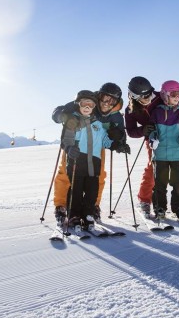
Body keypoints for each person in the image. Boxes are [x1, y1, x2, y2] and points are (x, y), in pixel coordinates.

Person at [124, 76, 179, 217]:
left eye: (149, 94)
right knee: (154, 171)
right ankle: (144, 201)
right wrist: (143, 130)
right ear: (134, 97)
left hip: (174, 138)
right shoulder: (130, 110)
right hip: (155, 141)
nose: (148, 98)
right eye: (144, 97)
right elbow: (131, 131)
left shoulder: (161, 95)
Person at [52, 85, 130, 225]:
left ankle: (92, 206)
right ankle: (62, 205)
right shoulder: (86, 100)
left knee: (97, 177)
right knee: (66, 173)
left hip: (96, 147)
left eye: (112, 101)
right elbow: (57, 113)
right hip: (75, 144)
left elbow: (120, 137)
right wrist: (66, 117)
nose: (107, 103)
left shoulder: (116, 116)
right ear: (99, 95)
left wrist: (118, 139)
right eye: (104, 98)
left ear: (117, 102)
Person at [146, 80, 179, 220]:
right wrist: (152, 139)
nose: (177, 97)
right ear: (165, 95)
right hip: (160, 155)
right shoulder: (157, 112)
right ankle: (160, 208)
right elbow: (152, 129)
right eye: (174, 94)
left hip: (177, 153)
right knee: (160, 184)